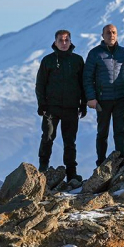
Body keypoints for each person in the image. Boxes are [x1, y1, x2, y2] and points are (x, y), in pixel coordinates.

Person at [35, 29, 86, 182]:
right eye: (60, 40)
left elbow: (82, 84)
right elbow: (40, 84)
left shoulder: (77, 60)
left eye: (66, 40)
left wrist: (83, 104)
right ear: (55, 42)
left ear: (70, 42)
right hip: (51, 107)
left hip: (71, 107)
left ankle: (71, 173)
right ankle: (43, 169)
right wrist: (41, 104)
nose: (64, 43)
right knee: (48, 137)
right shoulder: (48, 60)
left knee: (70, 141)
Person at [83, 24, 124, 166]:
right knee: (102, 132)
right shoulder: (95, 53)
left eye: (114, 32)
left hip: (120, 99)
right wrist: (91, 97)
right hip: (102, 100)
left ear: (117, 35)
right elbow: (87, 77)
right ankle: (101, 162)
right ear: (102, 35)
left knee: (120, 132)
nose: (111, 35)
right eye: (108, 33)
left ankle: (121, 161)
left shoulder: (123, 53)